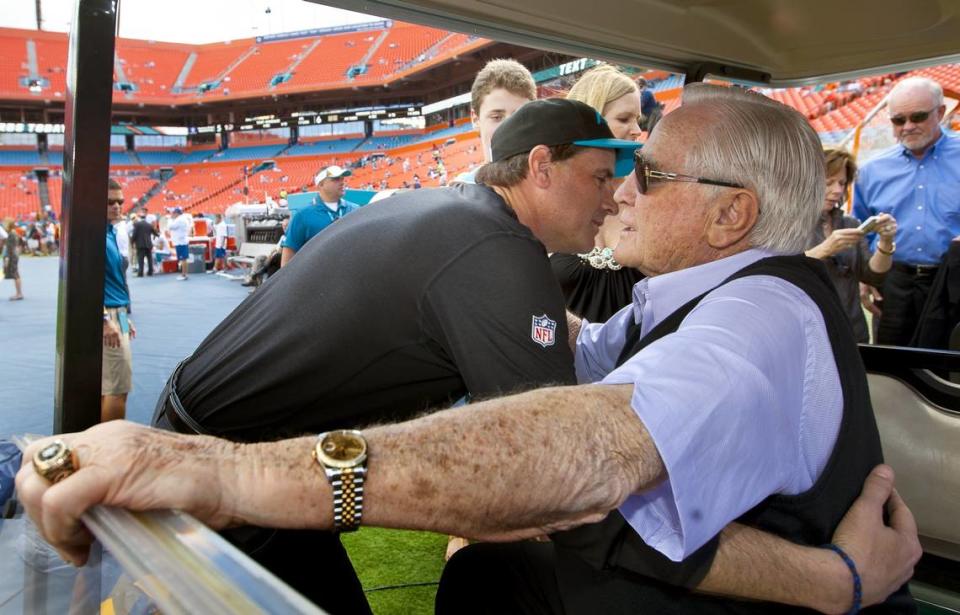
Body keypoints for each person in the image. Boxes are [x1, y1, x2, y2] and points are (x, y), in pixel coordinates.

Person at [20, 95, 921, 615]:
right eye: (613, 172)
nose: (621, 195)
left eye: (646, 174)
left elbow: (577, 451)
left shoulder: (757, 316)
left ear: (732, 215)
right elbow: (589, 358)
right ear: (537, 169)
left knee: (496, 571)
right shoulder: (676, 295)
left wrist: (227, 474)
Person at [853, 76, 960, 345]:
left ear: (940, 113)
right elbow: (862, 231)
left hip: (953, 282)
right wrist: (864, 279)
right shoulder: (871, 171)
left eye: (918, 117)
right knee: (892, 368)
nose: (908, 126)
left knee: (948, 369)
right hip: (892, 283)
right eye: (899, 120)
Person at [551, 64, 646, 322]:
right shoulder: (549, 201)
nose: (637, 130)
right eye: (625, 119)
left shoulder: (649, 196)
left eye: (638, 119)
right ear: (592, 122)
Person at [806, 149, 897, 342]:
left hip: (852, 331)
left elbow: (873, 275)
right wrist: (824, 249)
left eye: (841, 183)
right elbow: (778, 270)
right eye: (829, 183)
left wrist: (886, 241)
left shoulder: (850, 224)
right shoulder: (787, 224)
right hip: (809, 332)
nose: (838, 190)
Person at [455, 58, 537, 183]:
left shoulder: (556, 184)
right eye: (497, 117)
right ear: (476, 119)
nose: (510, 128)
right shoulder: (460, 193)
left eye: (520, 116)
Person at [102, 180, 136, 423]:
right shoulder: (96, 236)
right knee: (116, 389)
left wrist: (124, 316)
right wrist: (104, 319)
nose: (117, 206)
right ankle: (110, 449)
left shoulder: (110, 232)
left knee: (112, 386)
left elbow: (112, 281)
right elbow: (88, 282)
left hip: (119, 313)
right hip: (109, 316)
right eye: (110, 202)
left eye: (120, 202)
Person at [280, 165, 357, 267]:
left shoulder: (355, 210)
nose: (342, 182)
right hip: (317, 279)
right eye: (335, 179)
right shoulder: (303, 215)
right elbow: (288, 256)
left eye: (342, 178)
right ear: (321, 184)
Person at [168, 206, 193, 281]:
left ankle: (184, 274)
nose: (172, 214)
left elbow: (170, 227)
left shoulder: (179, 220)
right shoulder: (182, 219)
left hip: (180, 242)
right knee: (183, 259)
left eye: (173, 213)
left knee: (183, 259)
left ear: (176, 213)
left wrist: (170, 219)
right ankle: (184, 274)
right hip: (182, 241)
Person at [130, 212, 158, 277]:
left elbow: (134, 234)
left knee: (140, 259)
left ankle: (140, 273)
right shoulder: (149, 224)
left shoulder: (137, 224)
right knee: (149, 258)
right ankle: (150, 272)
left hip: (140, 244)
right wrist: (157, 235)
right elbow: (155, 233)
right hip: (148, 244)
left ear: (140, 217)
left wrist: (132, 242)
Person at [2, 219, 23, 300]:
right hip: (14, 255)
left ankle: (19, 293)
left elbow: (9, 248)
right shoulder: (13, 233)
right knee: (16, 274)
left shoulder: (11, 234)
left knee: (15, 275)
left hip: (12, 256)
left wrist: (6, 259)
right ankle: (19, 293)